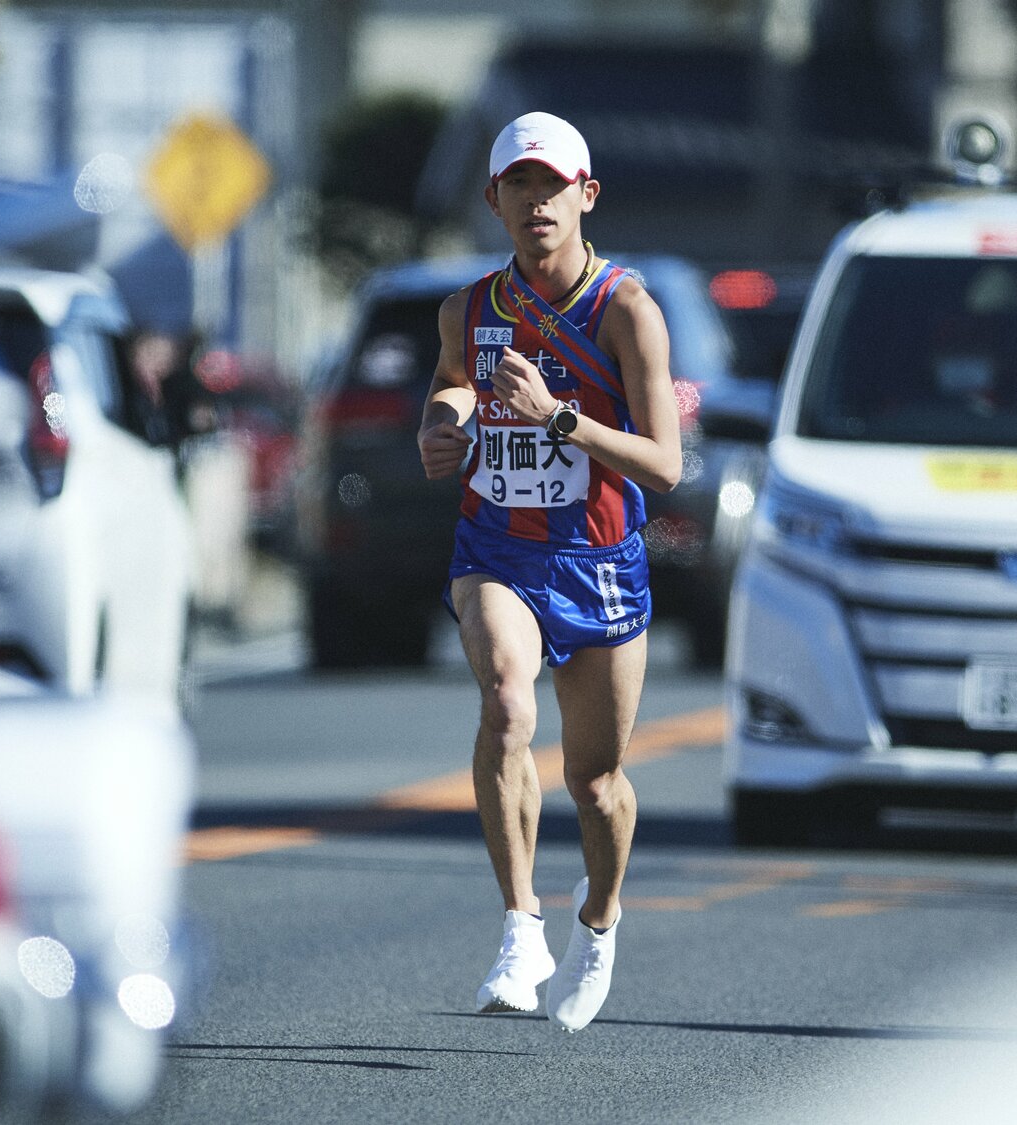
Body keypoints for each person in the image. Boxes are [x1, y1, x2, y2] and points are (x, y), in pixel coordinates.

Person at [416, 112, 682, 1033]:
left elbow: (667, 465)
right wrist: (441, 421)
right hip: (499, 545)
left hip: (600, 557)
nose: (537, 201)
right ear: (494, 199)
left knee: (598, 780)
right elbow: (454, 379)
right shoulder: (472, 308)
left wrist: (562, 420)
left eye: (553, 185)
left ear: (586, 195)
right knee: (505, 697)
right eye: (520, 186)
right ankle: (520, 924)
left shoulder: (627, 311)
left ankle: (597, 924)